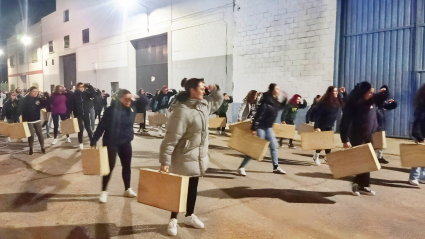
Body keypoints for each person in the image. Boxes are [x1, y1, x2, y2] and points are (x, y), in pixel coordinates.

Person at [159, 78, 223, 236]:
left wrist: (216, 89)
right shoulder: (181, 111)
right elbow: (170, 138)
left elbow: (218, 100)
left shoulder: (203, 106)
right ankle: (173, 219)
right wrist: (165, 161)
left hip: (197, 156)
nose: (204, 91)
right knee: (178, 190)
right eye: (201, 88)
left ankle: (189, 216)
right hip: (182, 156)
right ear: (192, 90)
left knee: (193, 187)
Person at [91, 89, 138, 203]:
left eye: (130, 99)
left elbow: (146, 102)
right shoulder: (110, 110)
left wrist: (139, 96)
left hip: (126, 142)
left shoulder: (131, 109)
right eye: (126, 99)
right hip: (111, 142)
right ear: (120, 98)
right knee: (109, 167)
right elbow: (102, 125)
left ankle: (127, 189)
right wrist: (94, 139)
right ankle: (104, 191)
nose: (128, 101)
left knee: (127, 166)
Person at [340, 81, 386, 196]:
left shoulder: (370, 101)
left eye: (372, 92)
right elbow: (345, 122)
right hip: (356, 135)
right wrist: (345, 139)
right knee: (361, 160)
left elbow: (382, 101)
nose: (372, 94)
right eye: (369, 92)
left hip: (368, 135)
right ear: (362, 93)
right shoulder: (353, 103)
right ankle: (356, 184)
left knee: (368, 160)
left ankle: (364, 185)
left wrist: (383, 93)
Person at [237, 84, 287, 177]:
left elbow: (279, 108)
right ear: (272, 90)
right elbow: (258, 116)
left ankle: (276, 167)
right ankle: (241, 167)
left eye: (279, 89)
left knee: (274, 146)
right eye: (277, 89)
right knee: (256, 147)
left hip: (268, 127)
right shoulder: (265, 103)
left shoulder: (274, 101)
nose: (279, 90)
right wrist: (254, 128)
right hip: (260, 127)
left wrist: (285, 100)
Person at [312, 86, 346, 165]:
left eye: (337, 91)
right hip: (322, 124)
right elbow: (318, 115)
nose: (336, 92)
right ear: (330, 92)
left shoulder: (337, 101)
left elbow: (346, 102)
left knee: (329, 142)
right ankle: (316, 155)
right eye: (334, 91)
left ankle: (327, 158)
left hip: (330, 124)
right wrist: (316, 126)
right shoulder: (324, 102)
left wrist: (344, 93)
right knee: (323, 142)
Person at [18, 87, 47, 155]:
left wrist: (45, 98)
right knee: (31, 135)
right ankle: (31, 148)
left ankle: (42, 147)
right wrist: (22, 120)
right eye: (34, 91)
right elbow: (20, 109)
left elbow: (44, 104)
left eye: (37, 91)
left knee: (40, 134)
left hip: (37, 119)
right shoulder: (25, 99)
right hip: (28, 120)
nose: (36, 93)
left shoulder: (38, 98)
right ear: (30, 91)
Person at [68, 83, 95, 150]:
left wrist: (90, 86)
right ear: (77, 87)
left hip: (85, 114)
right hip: (78, 115)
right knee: (81, 129)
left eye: (83, 87)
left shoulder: (85, 94)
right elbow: (71, 105)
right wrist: (70, 114)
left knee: (89, 129)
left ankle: (92, 143)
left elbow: (93, 95)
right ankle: (81, 144)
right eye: (81, 87)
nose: (82, 88)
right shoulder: (74, 95)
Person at [375, 85, 397, 164]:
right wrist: (378, 93)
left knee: (380, 142)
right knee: (373, 142)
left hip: (381, 124)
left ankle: (379, 157)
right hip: (374, 124)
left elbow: (390, 107)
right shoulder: (375, 102)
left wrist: (393, 103)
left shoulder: (382, 104)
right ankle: (372, 156)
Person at [409, 84, 425, 186]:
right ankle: (413, 177)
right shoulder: (421, 108)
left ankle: (422, 176)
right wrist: (419, 137)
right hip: (421, 135)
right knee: (418, 157)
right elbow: (417, 123)